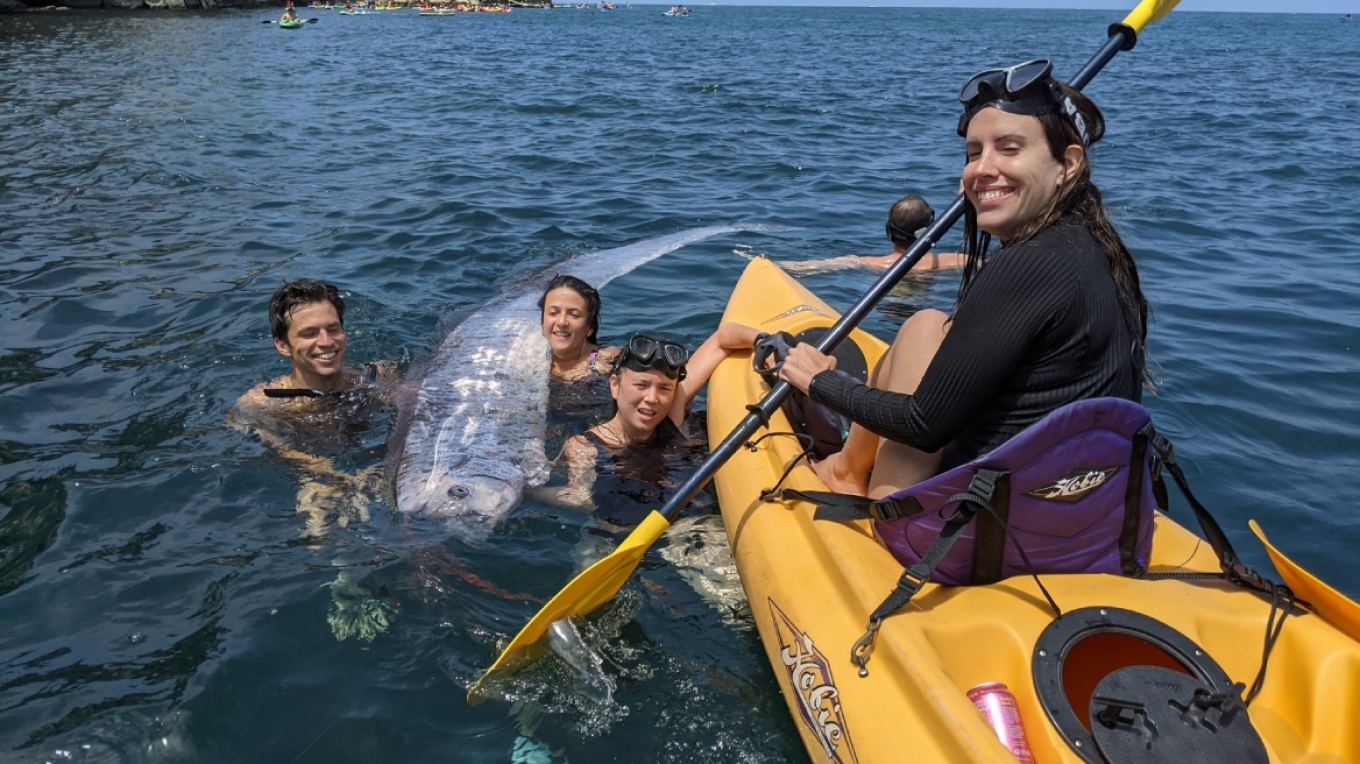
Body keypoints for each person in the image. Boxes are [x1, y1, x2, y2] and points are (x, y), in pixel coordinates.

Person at [776, 59, 1150, 500]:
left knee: (921, 326)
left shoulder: (1029, 264)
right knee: (929, 323)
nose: (980, 169)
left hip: (977, 534)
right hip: (1076, 512)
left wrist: (819, 382)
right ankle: (846, 468)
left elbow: (923, 424)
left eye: (1009, 148)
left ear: (1067, 164)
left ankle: (846, 474)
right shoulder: (1096, 249)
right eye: (975, 153)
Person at [529, 324, 760, 524]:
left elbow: (721, 340)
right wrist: (528, 491)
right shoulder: (584, 445)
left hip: (690, 528)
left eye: (664, 389)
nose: (652, 398)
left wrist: (765, 342)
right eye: (641, 385)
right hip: (616, 537)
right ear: (614, 385)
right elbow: (580, 496)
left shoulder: (671, 415)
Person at [231, 279, 399, 535]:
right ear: (282, 345)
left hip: (377, 465)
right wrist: (332, 477)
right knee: (319, 528)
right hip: (317, 476)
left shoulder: (378, 377)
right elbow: (280, 448)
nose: (326, 342)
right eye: (309, 334)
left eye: (333, 329)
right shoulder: (264, 403)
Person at [763, 195, 965, 277]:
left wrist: (766, 264)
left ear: (889, 231)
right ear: (928, 232)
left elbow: (808, 267)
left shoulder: (867, 263)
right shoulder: (951, 261)